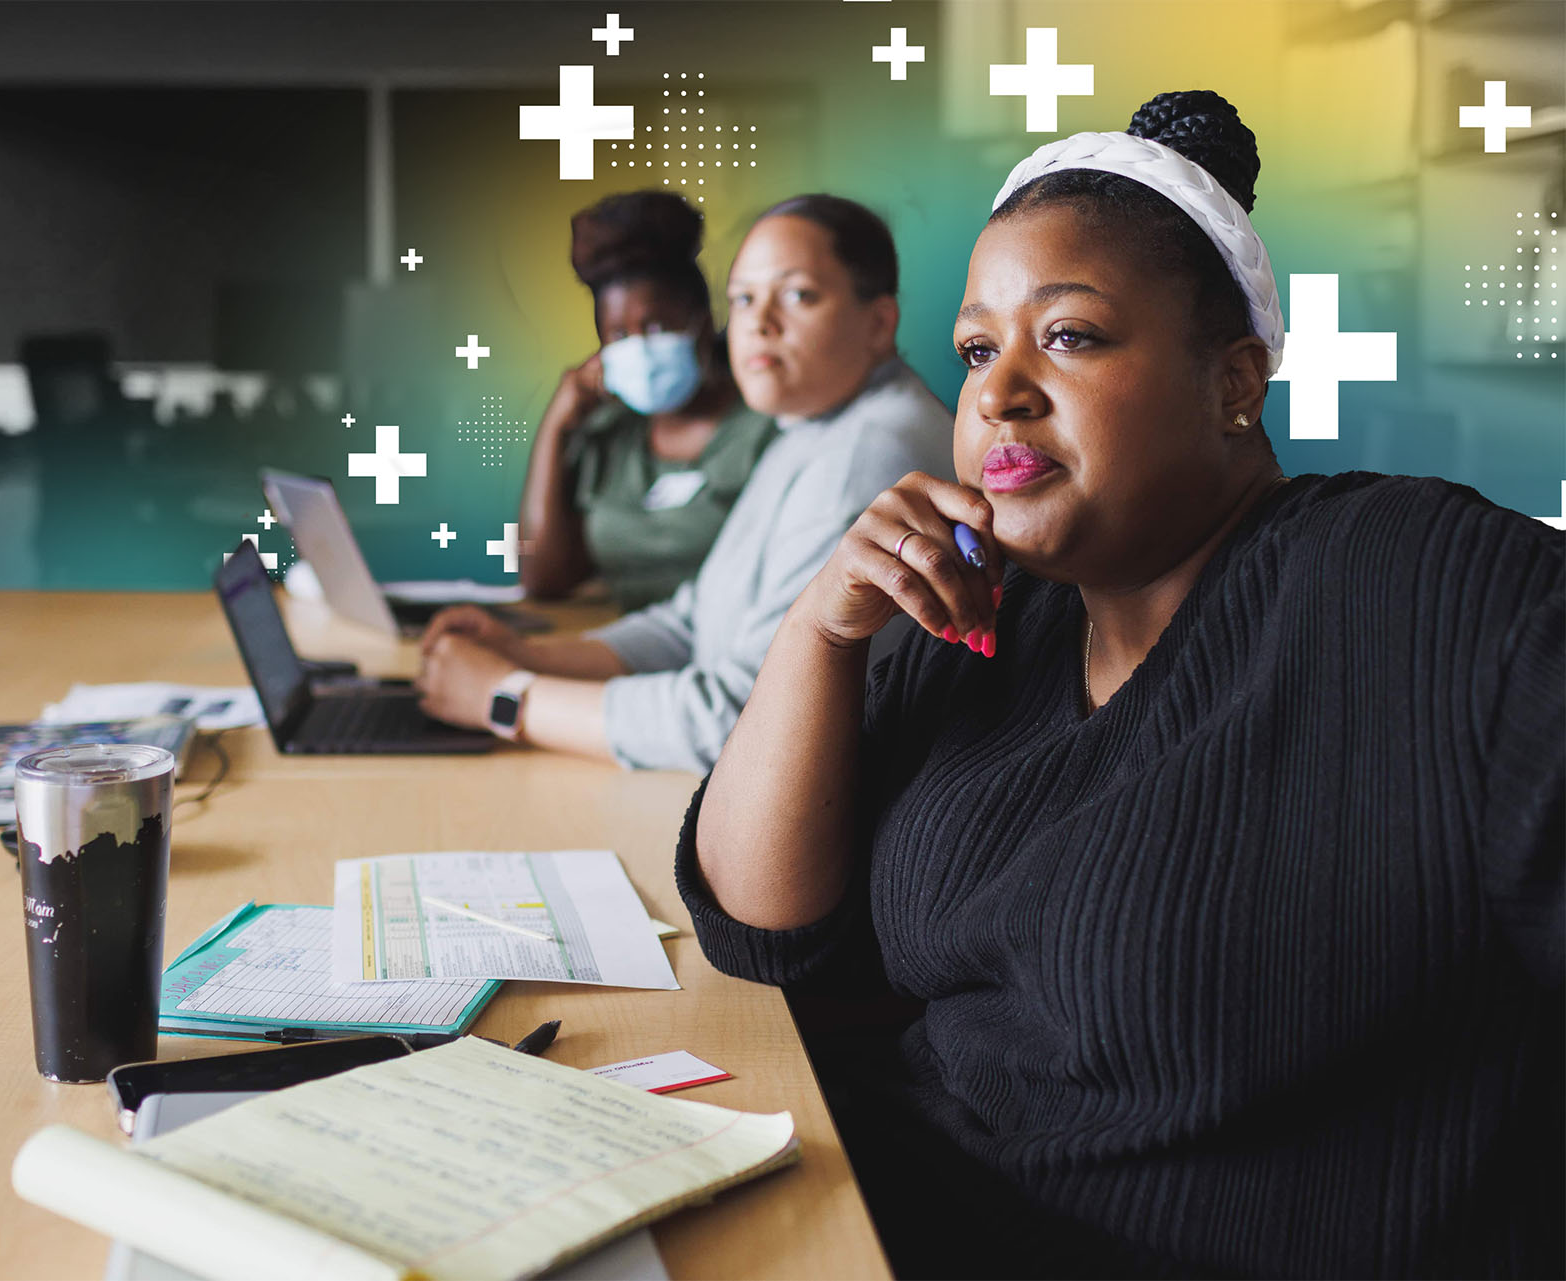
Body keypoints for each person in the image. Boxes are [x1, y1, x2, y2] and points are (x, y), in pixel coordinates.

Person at [680, 91, 1563, 1277]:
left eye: (1073, 336)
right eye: (980, 349)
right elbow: (760, 926)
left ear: (1235, 381)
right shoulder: (997, 617)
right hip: (860, 1216)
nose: (999, 393)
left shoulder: (1427, 587)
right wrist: (821, 634)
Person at [416, 195, 956, 772]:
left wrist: (509, 697)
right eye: (744, 299)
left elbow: (751, 719)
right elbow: (692, 620)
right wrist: (526, 654)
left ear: (878, 323)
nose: (759, 322)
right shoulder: (810, 426)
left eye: (798, 295)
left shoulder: (867, 453)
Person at [519, 191, 778, 610]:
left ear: (702, 322)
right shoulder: (609, 434)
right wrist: (555, 428)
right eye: (619, 335)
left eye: (656, 326)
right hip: (618, 649)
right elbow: (543, 578)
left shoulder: (764, 427)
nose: (639, 348)